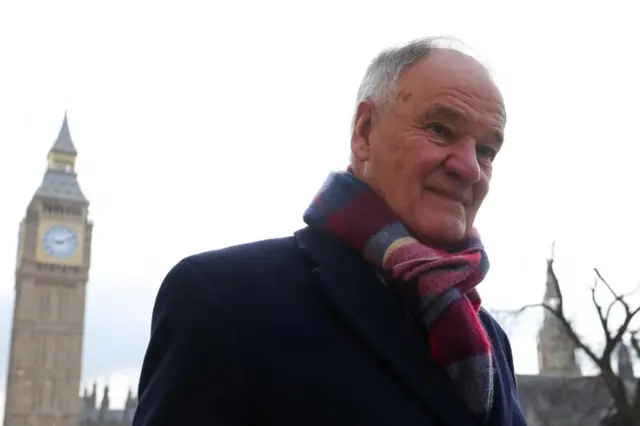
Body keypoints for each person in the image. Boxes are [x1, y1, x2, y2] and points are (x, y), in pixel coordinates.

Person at [133, 37, 526, 426]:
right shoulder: (225, 299)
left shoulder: (491, 342)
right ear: (365, 131)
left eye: (487, 151)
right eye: (440, 129)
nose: (470, 167)